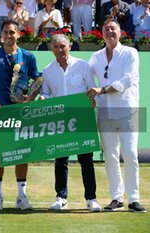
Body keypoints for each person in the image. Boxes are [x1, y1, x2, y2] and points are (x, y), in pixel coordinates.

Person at [87, 19, 146, 213]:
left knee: (130, 154)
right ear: (102, 34)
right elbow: (87, 80)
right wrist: (90, 96)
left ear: (120, 32)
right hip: (104, 113)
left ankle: (134, 198)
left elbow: (128, 80)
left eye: (113, 28)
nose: (110, 31)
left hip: (128, 110)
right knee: (110, 157)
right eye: (106, 29)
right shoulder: (95, 57)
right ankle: (116, 198)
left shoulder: (131, 53)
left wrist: (100, 91)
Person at [39, 34, 101, 212]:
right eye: (56, 47)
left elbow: (91, 88)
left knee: (86, 160)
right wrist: (44, 98)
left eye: (63, 46)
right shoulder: (48, 70)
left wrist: (92, 100)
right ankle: (61, 197)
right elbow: (47, 93)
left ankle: (91, 198)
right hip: (60, 120)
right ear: (52, 50)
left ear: (70, 46)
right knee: (61, 161)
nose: (60, 50)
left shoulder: (83, 65)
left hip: (82, 118)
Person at [0, 19, 39, 210]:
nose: (9, 35)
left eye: (12, 32)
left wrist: (30, 97)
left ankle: (21, 196)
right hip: (1, 111)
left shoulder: (28, 56)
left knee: (21, 152)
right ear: (1, 35)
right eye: (5, 32)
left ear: (18, 34)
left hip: (21, 110)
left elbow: (38, 80)